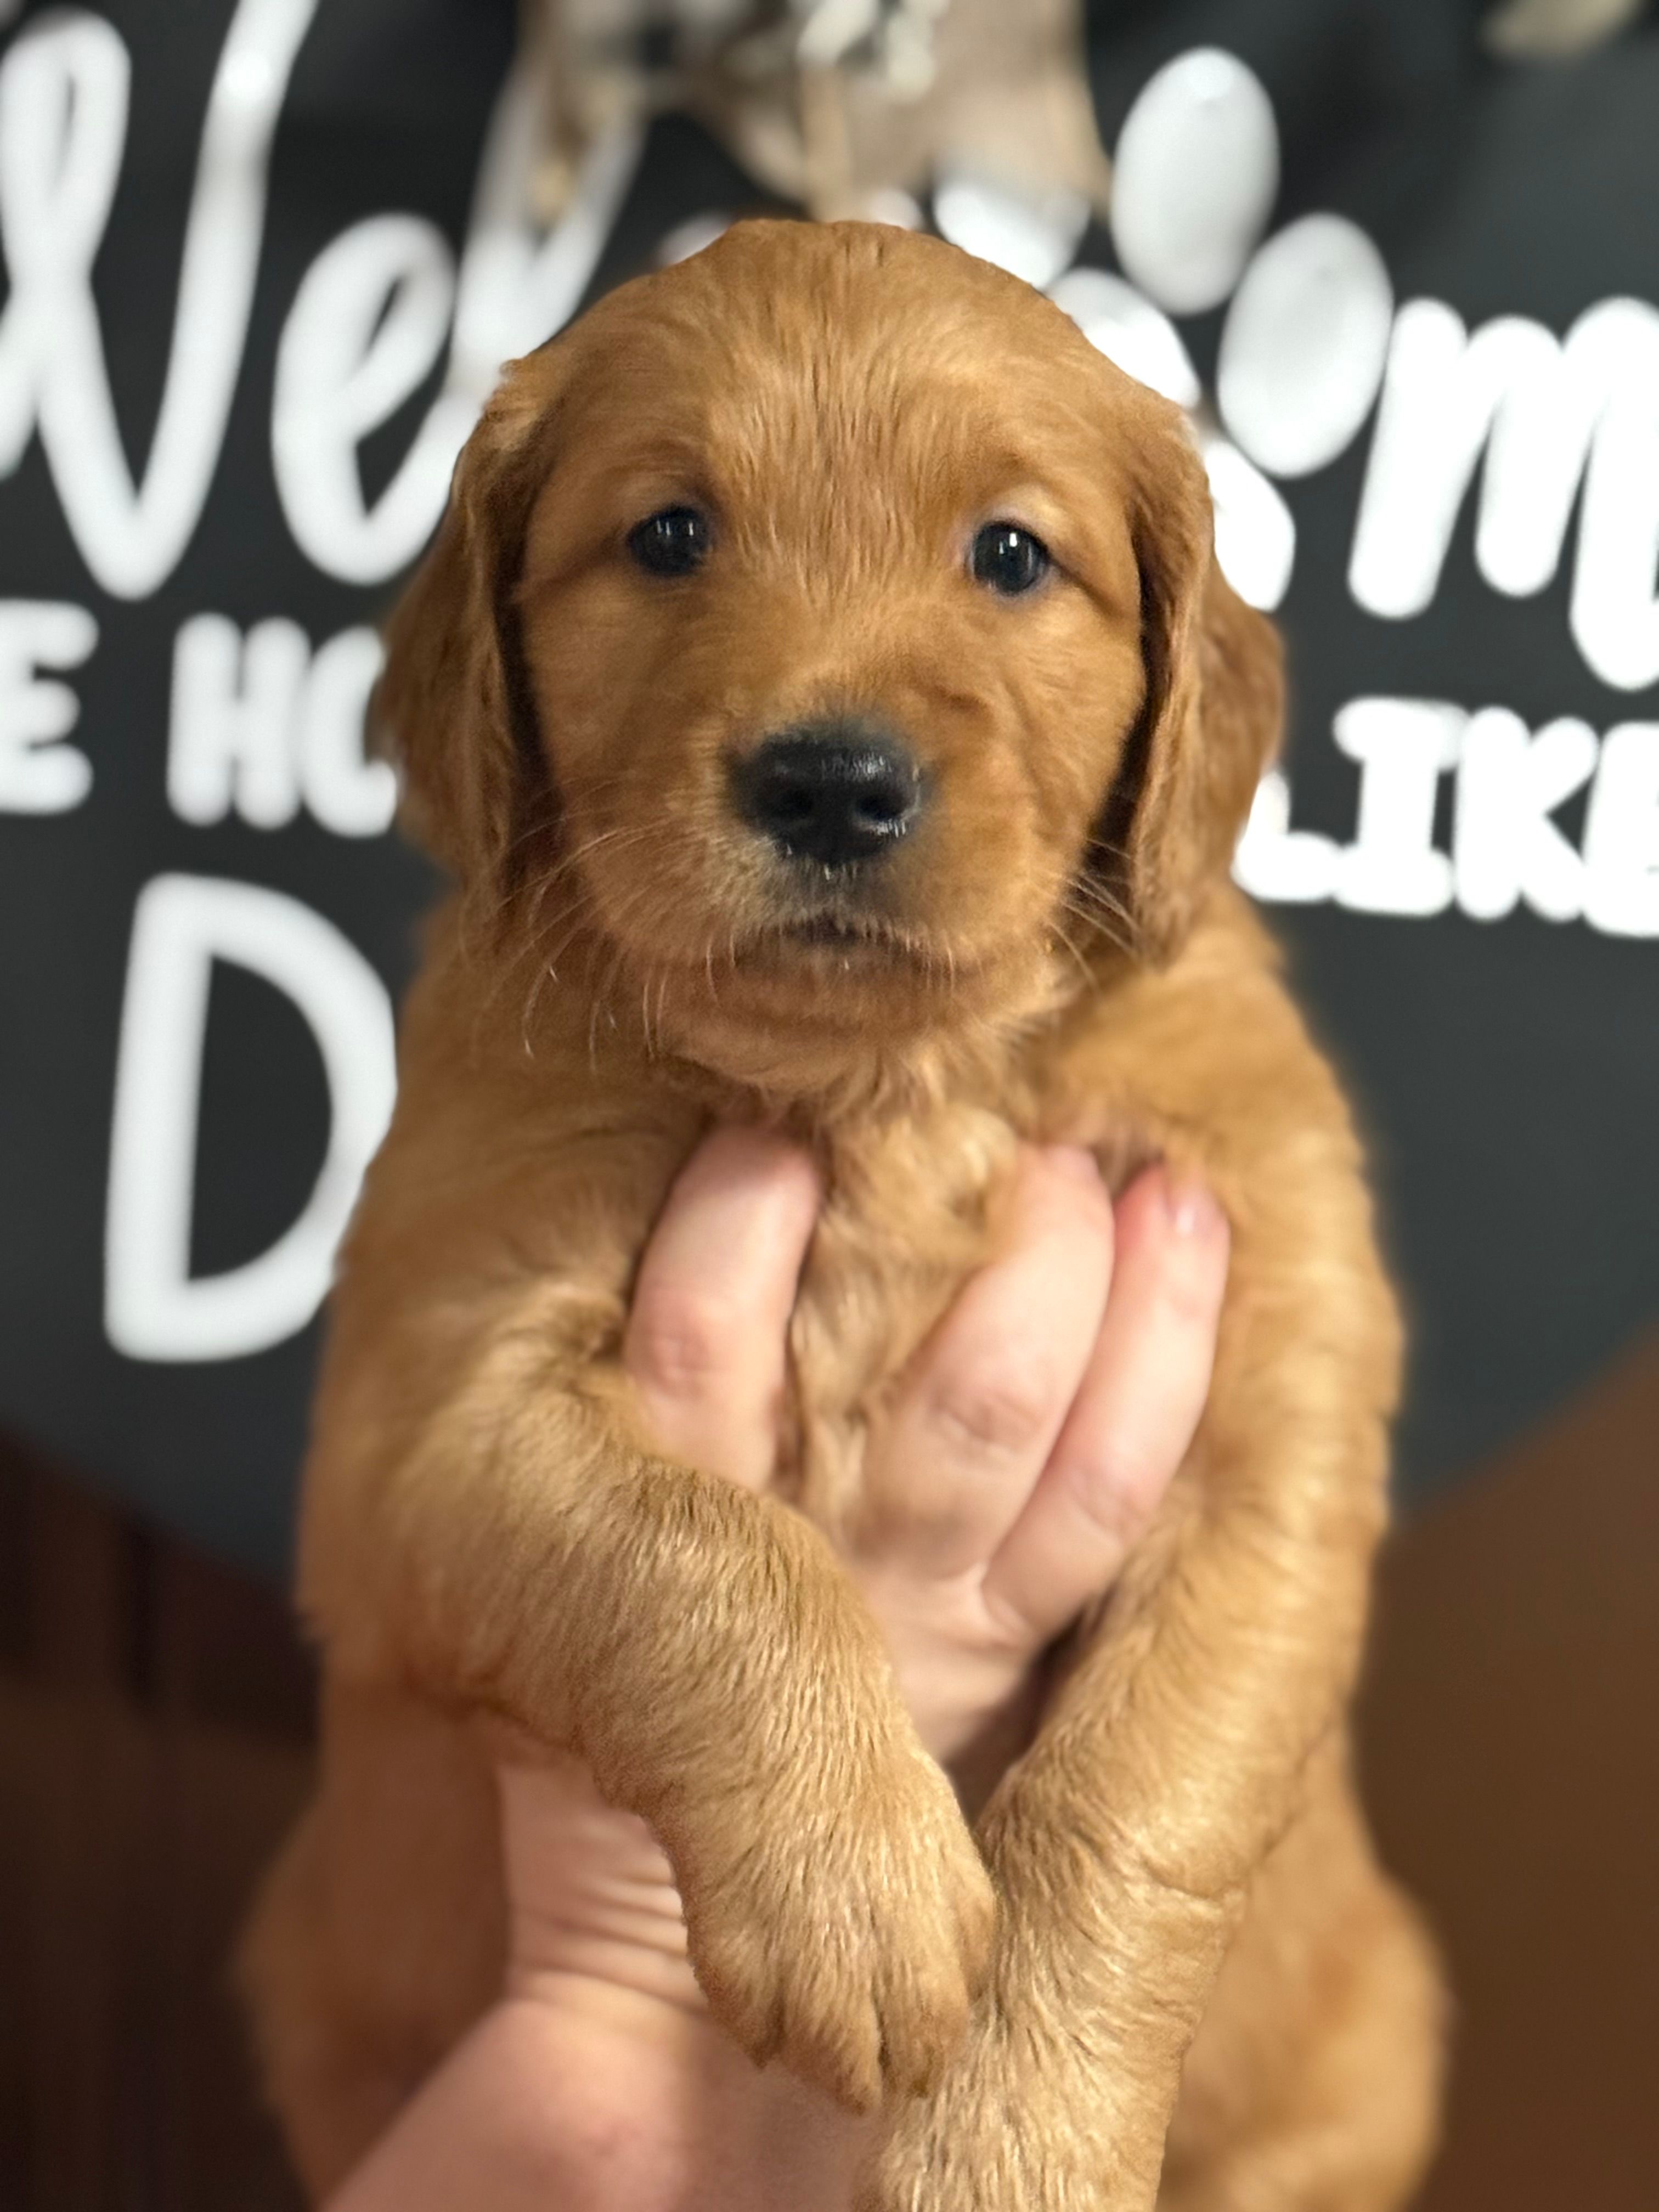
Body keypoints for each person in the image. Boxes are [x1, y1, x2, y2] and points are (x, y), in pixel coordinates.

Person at [327, 1128, 1230, 2212]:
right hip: (479, 2026)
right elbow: (442, 1471)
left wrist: (1077, 1988)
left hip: (1216, 2133)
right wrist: (634, 1958)